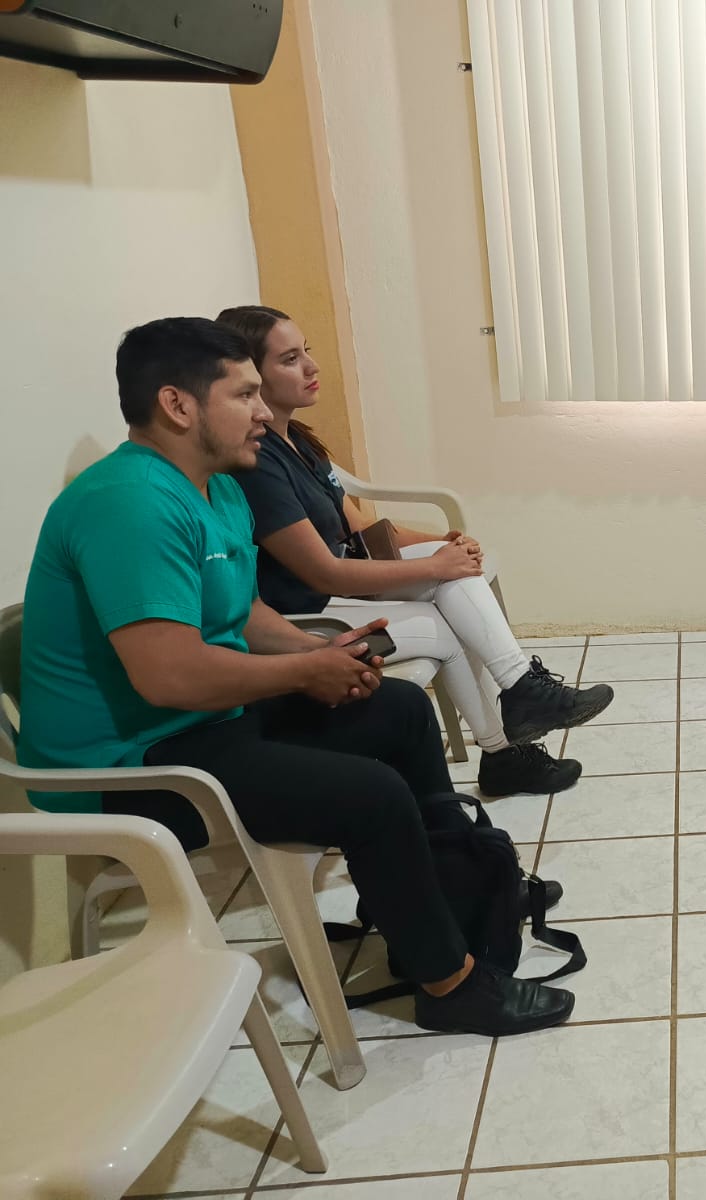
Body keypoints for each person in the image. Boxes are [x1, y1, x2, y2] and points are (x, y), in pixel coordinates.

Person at [19, 317, 571, 1035]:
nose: (262, 412)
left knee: (401, 711)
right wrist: (303, 672)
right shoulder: (128, 504)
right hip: (131, 765)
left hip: (199, 723)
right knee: (371, 795)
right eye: (244, 394)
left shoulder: (214, 488)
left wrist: (327, 652)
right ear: (178, 405)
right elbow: (168, 677)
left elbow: (243, 615)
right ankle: (449, 985)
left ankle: (450, 894)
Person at [214, 305, 610, 798]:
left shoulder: (298, 441)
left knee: (458, 576)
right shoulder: (258, 465)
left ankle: (519, 703)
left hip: (347, 589)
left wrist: (441, 544)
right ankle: (507, 743)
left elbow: (361, 529)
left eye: (306, 352)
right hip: (311, 615)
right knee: (447, 623)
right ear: (251, 375)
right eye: (290, 359)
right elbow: (326, 574)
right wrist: (435, 563)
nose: (312, 367)